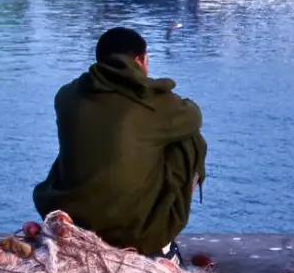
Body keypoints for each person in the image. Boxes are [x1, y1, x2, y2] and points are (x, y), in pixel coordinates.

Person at [34, 27, 207, 260]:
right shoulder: (151, 101)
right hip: (133, 233)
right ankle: (162, 244)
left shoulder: (66, 95)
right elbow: (194, 117)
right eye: (147, 60)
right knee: (190, 140)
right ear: (138, 60)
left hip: (73, 220)